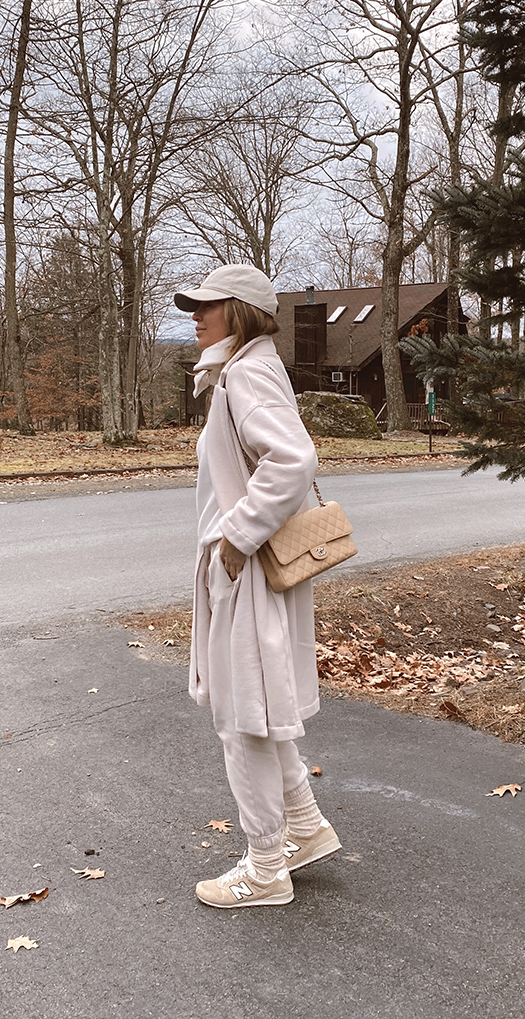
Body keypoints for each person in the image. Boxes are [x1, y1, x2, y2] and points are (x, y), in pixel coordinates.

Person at [174, 263, 341, 909]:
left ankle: (266, 866)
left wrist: (235, 537)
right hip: (249, 566)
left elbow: (294, 460)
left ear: (239, 311)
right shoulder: (242, 370)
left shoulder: (244, 373)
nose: (196, 314)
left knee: (241, 716)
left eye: (207, 305)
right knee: (259, 705)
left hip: (247, 567)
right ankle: (302, 826)